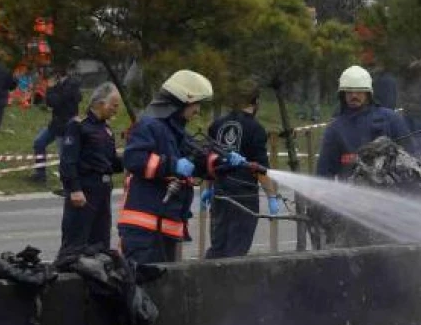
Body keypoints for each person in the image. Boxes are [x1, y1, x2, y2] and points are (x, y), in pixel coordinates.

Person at [118, 70, 248, 264]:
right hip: (144, 231)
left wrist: (223, 163)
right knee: (143, 289)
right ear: (181, 101)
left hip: (163, 227)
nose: (197, 110)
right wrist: (173, 165)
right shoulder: (148, 126)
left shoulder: (175, 132)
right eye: (196, 104)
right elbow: (134, 159)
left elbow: (198, 161)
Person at [202, 85, 280, 259]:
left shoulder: (216, 125)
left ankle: (208, 282)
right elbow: (260, 169)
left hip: (220, 195)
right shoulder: (255, 129)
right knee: (236, 252)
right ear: (256, 102)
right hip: (244, 199)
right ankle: (229, 285)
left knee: (218, 247)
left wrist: (208, 188)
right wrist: (272, 197)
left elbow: (208, 160)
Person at [56, 83, 123, 262]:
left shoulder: (106, 129)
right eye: (114, 106)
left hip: (103, 191)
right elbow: (68, 161)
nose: (116, 110)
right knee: (76, 244)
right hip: (85, 191)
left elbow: (111, 162)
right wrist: (74, 189)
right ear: (100, 103)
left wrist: (131, 157)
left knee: (101, 244)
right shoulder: (79, 126)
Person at [316, 65, 417, 179]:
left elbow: (413, 160)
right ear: (342, 94)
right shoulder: (335, 129)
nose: (354, 95)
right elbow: (324, 172)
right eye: (349, 91)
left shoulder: (391, 120)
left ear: (368, 93)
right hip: (351, 194)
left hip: (390, 191)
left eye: (359, 91)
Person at [31, 68, 83, 183]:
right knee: (39, 143)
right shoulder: (61, 85)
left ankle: (68, 183)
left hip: (66, 126)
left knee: (63, 154)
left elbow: (54, 102)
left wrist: (50, 88)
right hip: (56, 123)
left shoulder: (71, 85)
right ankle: (40, 174)